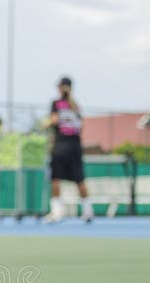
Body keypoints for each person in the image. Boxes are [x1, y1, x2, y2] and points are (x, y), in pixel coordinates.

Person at [44, 76, 93, 224]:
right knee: (80, 180)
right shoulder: (76, 106)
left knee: (56, 179)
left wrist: (45, 126)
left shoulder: (56, 104)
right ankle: (88, 211)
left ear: (60, 88)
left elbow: (53, 121)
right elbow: (81, 127)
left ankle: (57, 212)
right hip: (75, 147)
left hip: (60, 147)